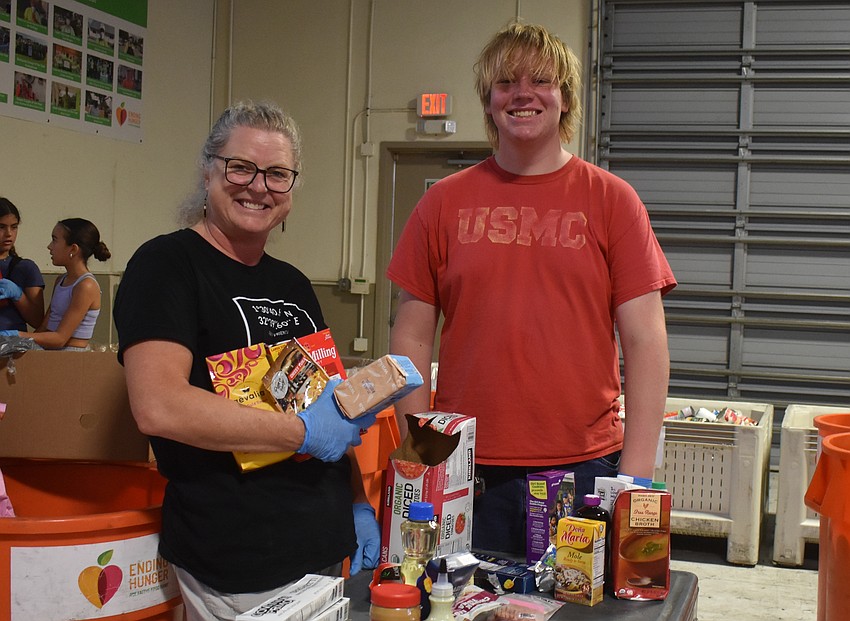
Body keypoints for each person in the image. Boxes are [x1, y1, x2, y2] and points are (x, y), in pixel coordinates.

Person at [387, 22, 677, 556]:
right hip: (465, 465)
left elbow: (646, 341)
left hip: (585, 468)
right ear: (489, 101)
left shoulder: (613, 201)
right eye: (506, 83)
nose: (523, 93)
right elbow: (410, 339)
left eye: (541, 80)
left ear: (564, 98)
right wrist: (420, 456)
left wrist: (633, 477)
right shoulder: (441, 204)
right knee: (465, 606)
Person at [113, 100, 380, 621]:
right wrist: (302, 432)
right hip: (236, 562)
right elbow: (160, 406)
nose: (258, 186)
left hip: (325, 551)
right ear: (209, 170)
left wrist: (356, 502)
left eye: (278, 174)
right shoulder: (166, 265)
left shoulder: (293, 285)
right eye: (241, 167)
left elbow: (324, 406)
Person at [1, 218, 111, 350]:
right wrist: (19, 345)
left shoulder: (86, 286)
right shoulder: (61, 280)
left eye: (54, 240)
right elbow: (44, 327)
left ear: (73, 249)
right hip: (51, 353)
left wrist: (16, 335)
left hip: (71, 359)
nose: (49, 246)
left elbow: (60, 338)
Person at [0, 197, 45, 333]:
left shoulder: (25, 268)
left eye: (14, 227)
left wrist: (18, 296)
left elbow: (37, 321)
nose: (9, 234)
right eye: (1, 227)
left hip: (11, 347)